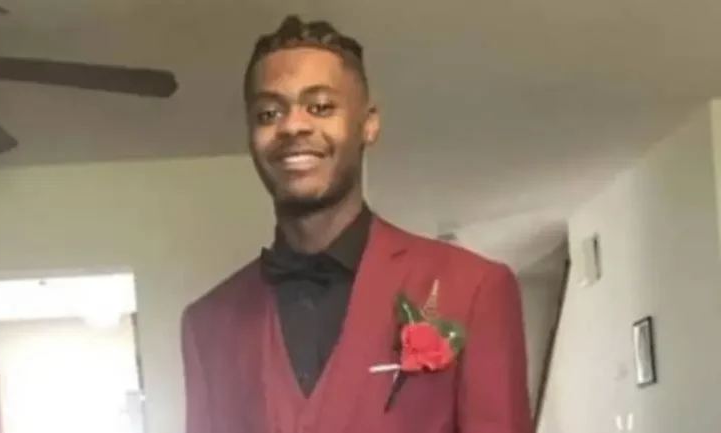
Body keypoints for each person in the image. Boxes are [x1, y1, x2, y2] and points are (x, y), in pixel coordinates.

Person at [181, 14, 532, 433]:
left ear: (368, 124)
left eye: (321, 106)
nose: (293, 125)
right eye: (269, 112)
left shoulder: (473, 288)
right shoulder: (207, 324)